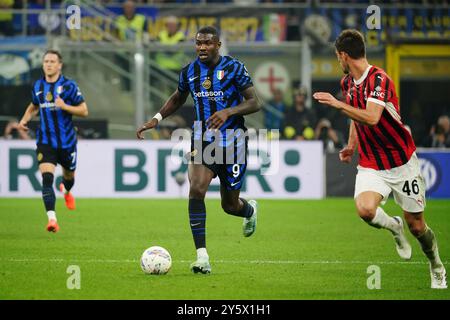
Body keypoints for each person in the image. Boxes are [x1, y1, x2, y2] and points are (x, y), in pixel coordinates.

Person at [313, 29, 446, 289]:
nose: (338, 62)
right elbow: (357, 114)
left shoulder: (379, 79)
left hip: (402, 162)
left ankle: (436, 265)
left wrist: (337, 104)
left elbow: (372, 117)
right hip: (372, 162)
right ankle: (394, 227)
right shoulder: (347, 83)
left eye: (337, 57)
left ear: (343, 55)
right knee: (365, 210)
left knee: (418, 227)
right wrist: (352, 145)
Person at [136, 26, 262, 274]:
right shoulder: (190, 71)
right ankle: (202, 257)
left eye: (207, 43)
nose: (202, 47)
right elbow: (178, 97)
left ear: (218, 45)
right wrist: (157, 118)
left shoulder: (235, 68)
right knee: (196, 189)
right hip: (203, 140)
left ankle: (249, 210)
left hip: (234, 142)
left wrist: (228, 111)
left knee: (230, 205)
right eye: (198, 43)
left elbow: (254, 102)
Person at [18, 50, 89, 233]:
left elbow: (84, 110)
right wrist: (24, 119)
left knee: (69, 177)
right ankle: (52, 219)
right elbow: (34, 105)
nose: (49, 64)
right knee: (47, 178)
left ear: (59, 65)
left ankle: (66, 191)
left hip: (67, 142)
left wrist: (65, 106)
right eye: (46, 61)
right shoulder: (38, 85)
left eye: (52, 61)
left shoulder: (69, 86)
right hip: (46, 140)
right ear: (43, 65)